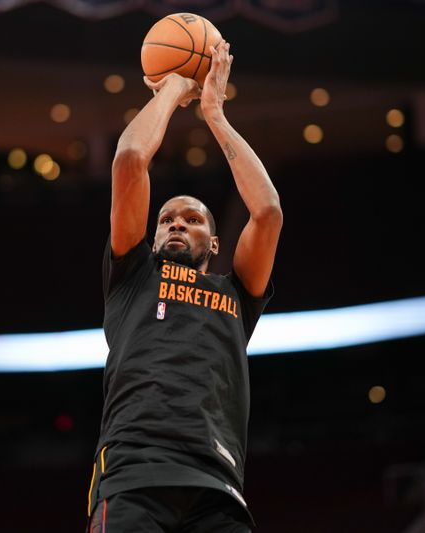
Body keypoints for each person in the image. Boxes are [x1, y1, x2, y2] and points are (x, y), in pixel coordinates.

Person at [87, 40, 282, 532]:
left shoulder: (235, 293)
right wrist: (173, 87)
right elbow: (130, 159)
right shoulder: (133, 277)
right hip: (133, 475)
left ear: (214, 243)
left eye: (191, 219)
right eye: (166, 219)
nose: (175, 224)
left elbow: (268, 213)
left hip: (218, 486)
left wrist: (215, 114)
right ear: (153, 236)